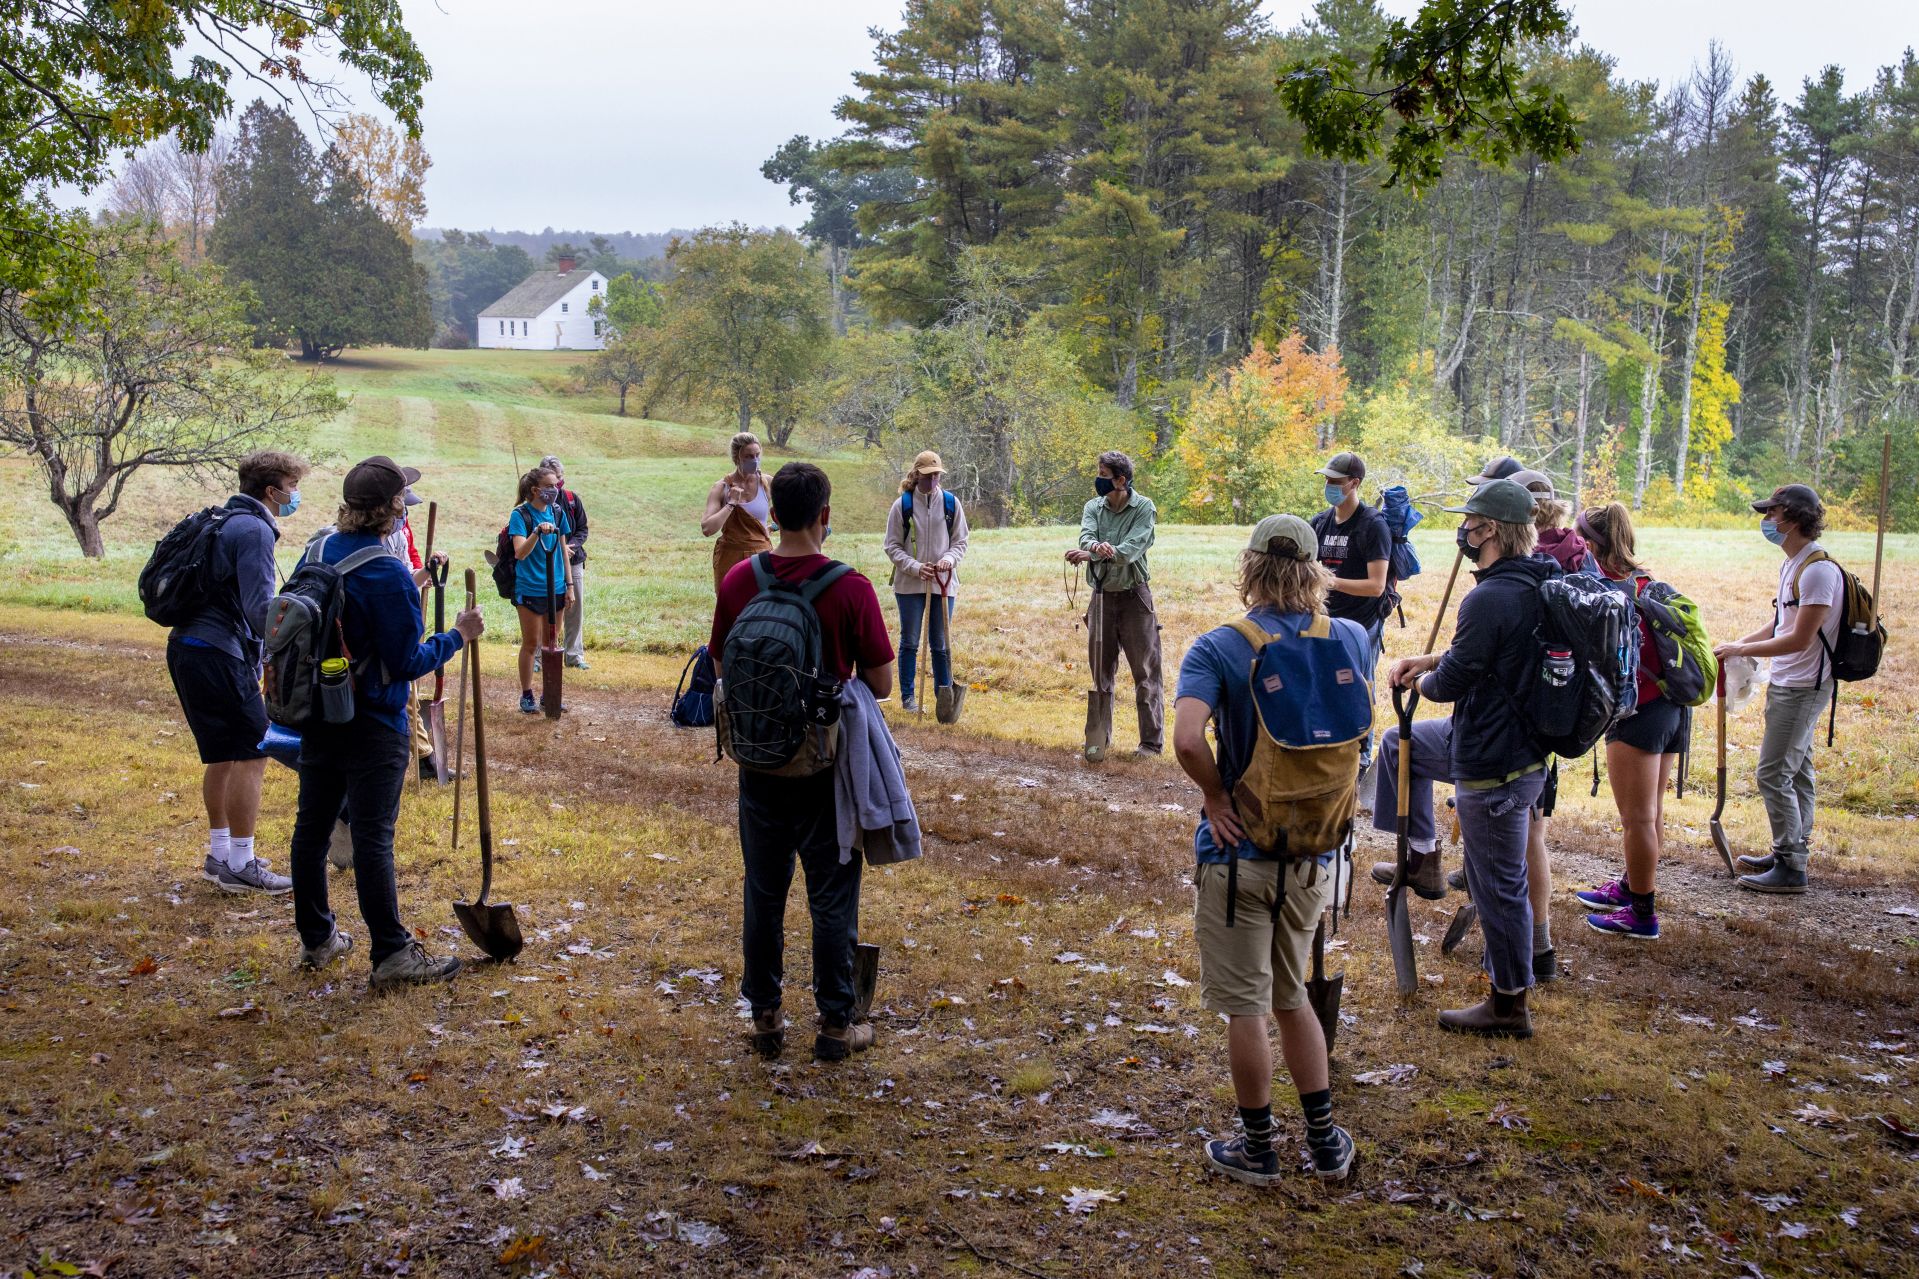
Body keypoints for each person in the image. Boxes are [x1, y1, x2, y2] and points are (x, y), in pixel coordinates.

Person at [1174, 513, 1365, 1185]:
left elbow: (1189, 739)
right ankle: (1324, 1140)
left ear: (1248, 566)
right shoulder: (1351, 637)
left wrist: (1215, 798)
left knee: (1247, 1006)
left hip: (1237, 855)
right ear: (1316, 573)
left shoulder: (1219, 647)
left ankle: (1257, 1148)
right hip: (1312, 854)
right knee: (1294, 998)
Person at [710, 463, 896, 1061]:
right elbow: (884, 682)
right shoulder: (851, 587)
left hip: (757, 760)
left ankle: (764, 1016)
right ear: (824, 516)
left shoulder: (741, 579)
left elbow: (720, 665)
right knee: (831, 892)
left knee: (763, 890)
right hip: (824, 766)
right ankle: (836, 1023)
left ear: (772, 510)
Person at [287, 456, 482, 988]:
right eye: (402, 500)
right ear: (393, 508)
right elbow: (407, 662)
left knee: (313, 827)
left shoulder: (319, 549)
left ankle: (317, 939)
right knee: (373, 837)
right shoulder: (387, 571)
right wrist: (457, 635)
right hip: (373, 720)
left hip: (319, 710)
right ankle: (393, 955)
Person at [1380, 479, 1554, 1038]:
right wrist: (1427, 658)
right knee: (1397, 748)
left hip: (1494, 761)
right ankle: (1423, 855)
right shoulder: (1541, 581)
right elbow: (1480, 655)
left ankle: (1509, 1005)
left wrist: (1425, 679)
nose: (1466, 534)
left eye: (1473, 525)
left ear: (1493, 532)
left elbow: (1453, 680)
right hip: (1511, 745)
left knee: (1498, 884)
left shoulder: (1490, 596)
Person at [167, 450, 309, 894]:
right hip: (219, 651)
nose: (294, 495)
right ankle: (244, 864)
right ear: (272, 491)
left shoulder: (223, 519)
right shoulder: (254, 530)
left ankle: (221, 855)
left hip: (187, 646)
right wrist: (290, 636)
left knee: (222, 753)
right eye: (292, 487)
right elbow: (259, 610)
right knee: (253, 749)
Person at [1712, 485, 1842, 895]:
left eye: (1773, 513)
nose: (1767, 520)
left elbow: (1799, 640)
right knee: (1798, 770)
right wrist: (1736, 645)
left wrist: (1744, 648)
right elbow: (1779, 627)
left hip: (1805, 686)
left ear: (1796, 518)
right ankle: (1791, 852)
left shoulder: (1819, 571)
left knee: (1773, 772)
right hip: (1788, 682)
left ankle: (1790, 866)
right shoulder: (1794, 565)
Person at [1572, 503, 1688, 938]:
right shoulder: (1646, 582)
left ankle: (1642, 913)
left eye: (1580, 540)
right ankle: (1631, 884)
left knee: (1636, 818)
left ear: (1591, 544)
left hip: (1637, 713)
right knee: (1650, 812)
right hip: (1670, 709)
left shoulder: (1605, 592)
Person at [1066, 450, 1162, 760]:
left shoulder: (1144, 508)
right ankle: (1097, 742)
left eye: (1104, 475)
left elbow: (1132, 549)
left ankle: (1150, 744)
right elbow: (1086, 537)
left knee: (1145, 672)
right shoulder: (1093, 507)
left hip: (1135, 597)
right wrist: (1093, 547)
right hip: (1101, 597)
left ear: (1121, 480)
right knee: (1100, 674)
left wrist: (1097, 553)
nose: (1098, 480)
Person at [1309, 451, 1392, 781]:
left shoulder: (1372, 526)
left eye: (1336, 481)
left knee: (1359, 687)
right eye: (1326, 480)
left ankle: (1360, 758)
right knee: (1322, 683)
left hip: (1362, 623)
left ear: (1354, 483)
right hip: (1324, 617)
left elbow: (1376, 586)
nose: (1329, 486)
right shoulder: (1319, 523)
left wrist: (1329, 580)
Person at [882, 450, 971, 716]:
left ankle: (943, 696)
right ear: (917, 475)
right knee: (909, 641)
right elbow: (892, 546)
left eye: (937, 476)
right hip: (910, 585)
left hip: (943, 583)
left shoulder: (951, 503)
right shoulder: (903, 505)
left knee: (940, 642)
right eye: (928, 476)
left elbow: (961, 541)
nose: (933, 481)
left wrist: (948, 559)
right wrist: (916, 567)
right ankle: (908, 697)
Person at [508, 465, 575, 714]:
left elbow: (564, 552)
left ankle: (550, 693)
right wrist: (536, 531)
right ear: (536, 490)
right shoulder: (521, 516)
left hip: (555, 586)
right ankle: (527, 695)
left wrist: (569, 586)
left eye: (556, 485)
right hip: (530, 588)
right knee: (531, 642)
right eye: (550, 486)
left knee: (552, 642)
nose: (555, 490)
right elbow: (520, 552)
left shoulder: (557, 513)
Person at [702, 432, 773, 593]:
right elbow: (707, 529)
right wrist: (731, 503)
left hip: (761, 556)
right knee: (731, 609)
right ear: (737, 458)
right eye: (748, 456)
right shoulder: (721, 488)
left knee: (762, 607)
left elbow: (794, 510)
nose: (754, 460)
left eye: (757, 455)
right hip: (730, 556)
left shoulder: (767, 483)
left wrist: (773, 527)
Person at [541, 454, 591, 670]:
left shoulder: (571, 499)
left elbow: (582, 529)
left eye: (560, 480)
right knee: (541, 609)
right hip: (545, 562)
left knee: (574, 607)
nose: (557, 486)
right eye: (553, 482)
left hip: (573, 560)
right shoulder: (536, 503)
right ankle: (538, 656)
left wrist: (570, 547)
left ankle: (573, 655)